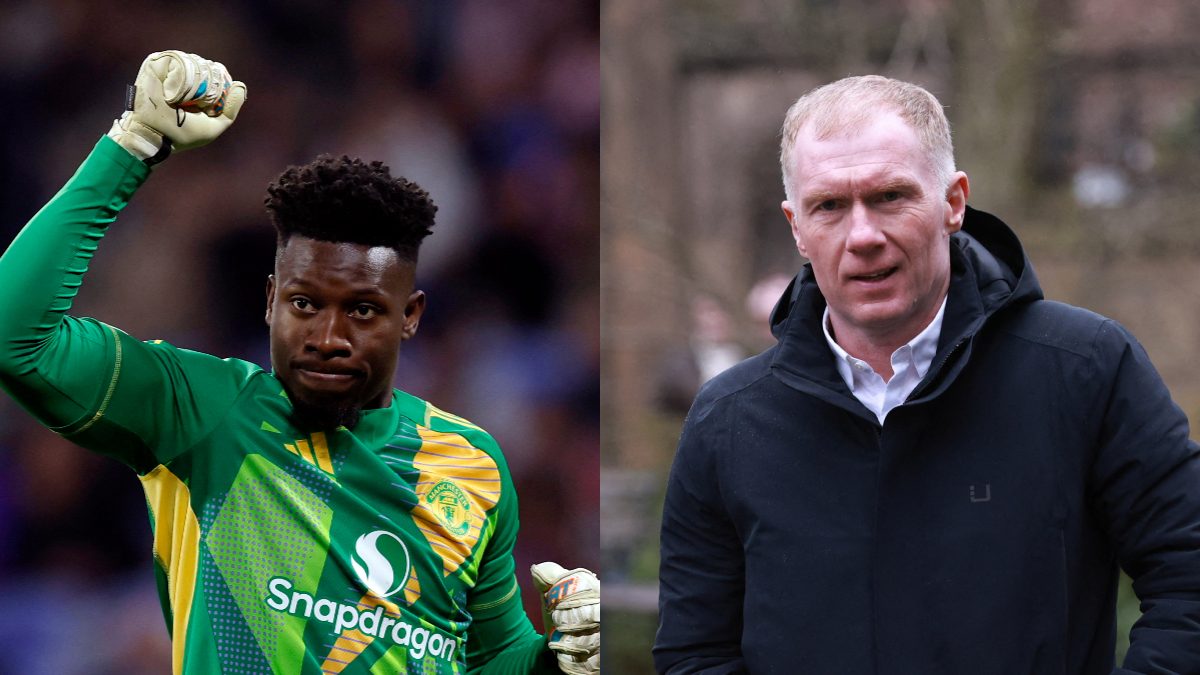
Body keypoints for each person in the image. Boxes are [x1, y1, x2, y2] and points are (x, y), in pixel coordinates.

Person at [0, 51, 599, 675]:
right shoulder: (204, 413)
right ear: (270, 300)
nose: (328, 336)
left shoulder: (472, 463)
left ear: (411, 315)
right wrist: (133, 145)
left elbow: (493, 657)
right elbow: (12, 335)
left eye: (364, 311)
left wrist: (562, 663)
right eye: (305, 303)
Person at [654, 75, 1200, 673]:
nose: (863, 236)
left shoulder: (1086, 368)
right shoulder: (727, 419)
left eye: (890, 196)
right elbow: (694, 652)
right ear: (796, 227)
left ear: (953, 202)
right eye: (829, 206)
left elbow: (1187, 581)